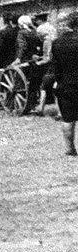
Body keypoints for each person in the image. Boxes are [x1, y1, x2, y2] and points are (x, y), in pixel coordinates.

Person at [49, 13, 78, 156]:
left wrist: (59, 81)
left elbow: (56, 68)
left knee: (68, 118)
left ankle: (70, 149)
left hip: (66, 84)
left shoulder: (57, 43)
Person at [33, 14, 58, 117]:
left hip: (50, 67)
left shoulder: (46, 41)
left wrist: (38, 62)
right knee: (56, 86)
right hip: (57, 65)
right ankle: (60, 111)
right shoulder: (54, 32)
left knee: (44, 86)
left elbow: (47, 58)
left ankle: (40, 108)